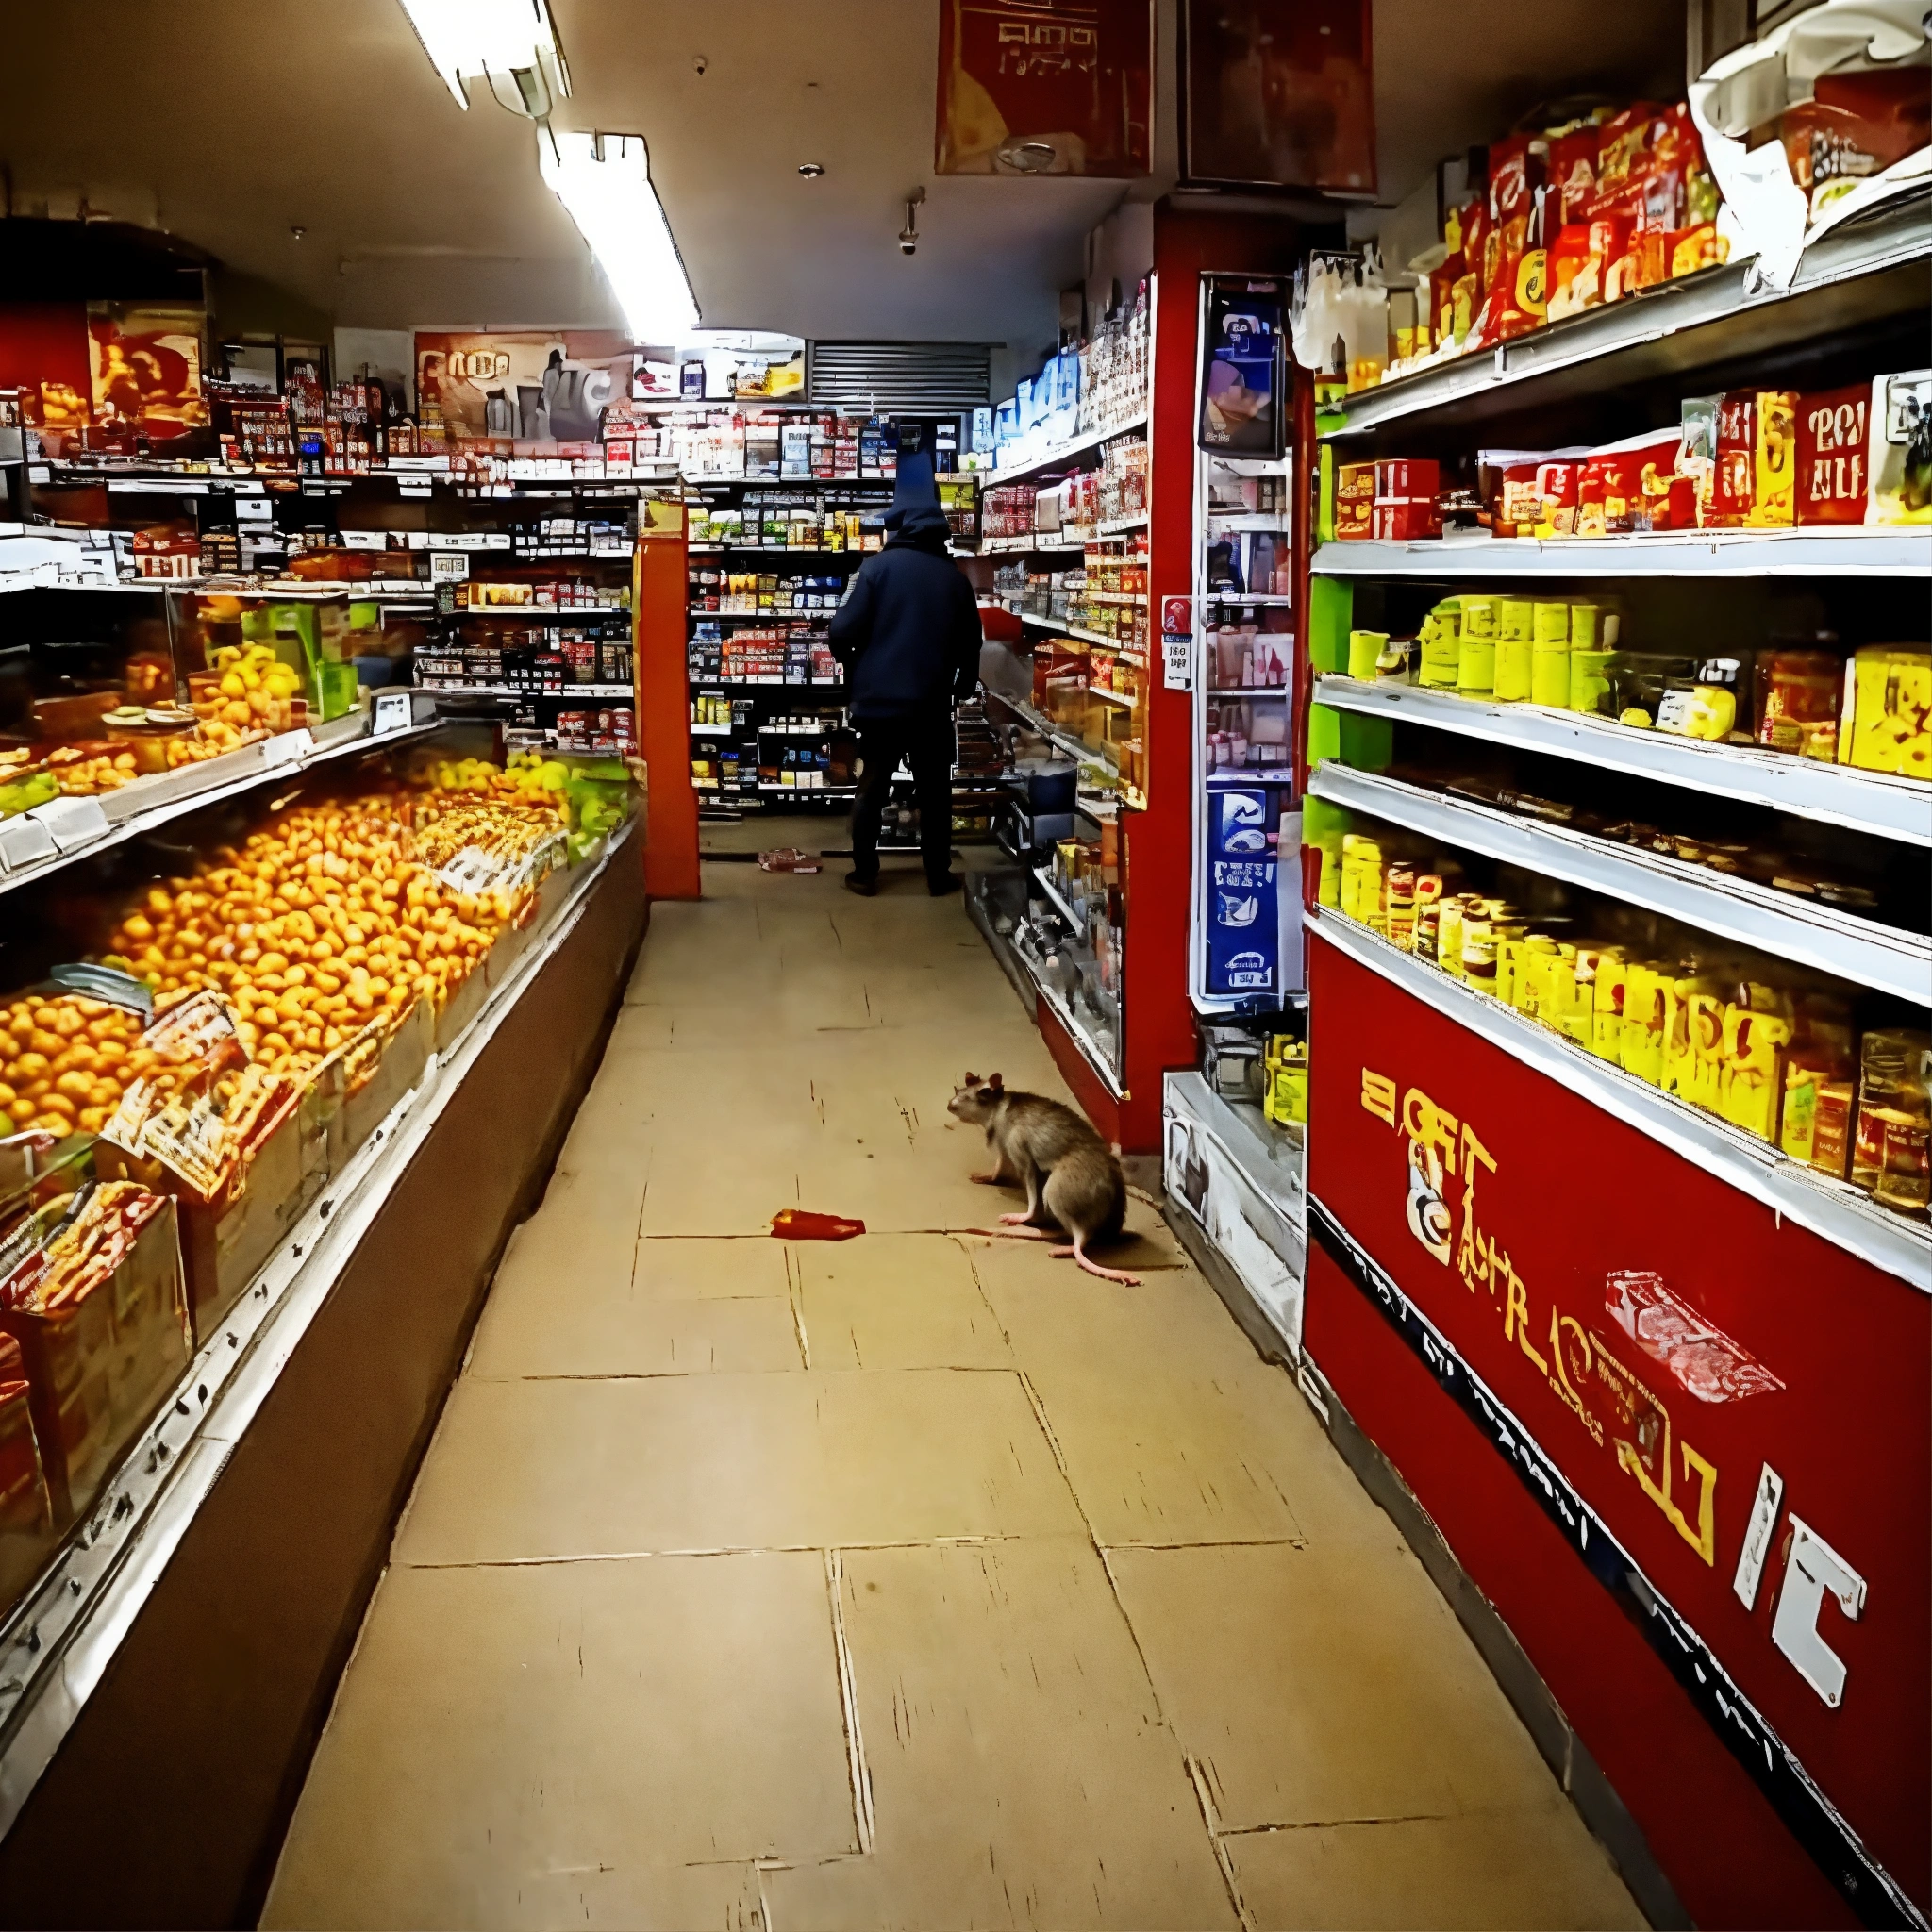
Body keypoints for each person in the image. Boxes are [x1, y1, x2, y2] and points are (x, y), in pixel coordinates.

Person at [828, 450, 982, 896]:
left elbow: (841, 631)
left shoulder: (875, 569)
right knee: (935, 791)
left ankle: (865, 874)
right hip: (930, 704)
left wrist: (852, 661)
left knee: (872, 785)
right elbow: (970, 641)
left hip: (879, 704)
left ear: (898, 527)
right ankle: (937, 874)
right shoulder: (955, 579)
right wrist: (962, 684)